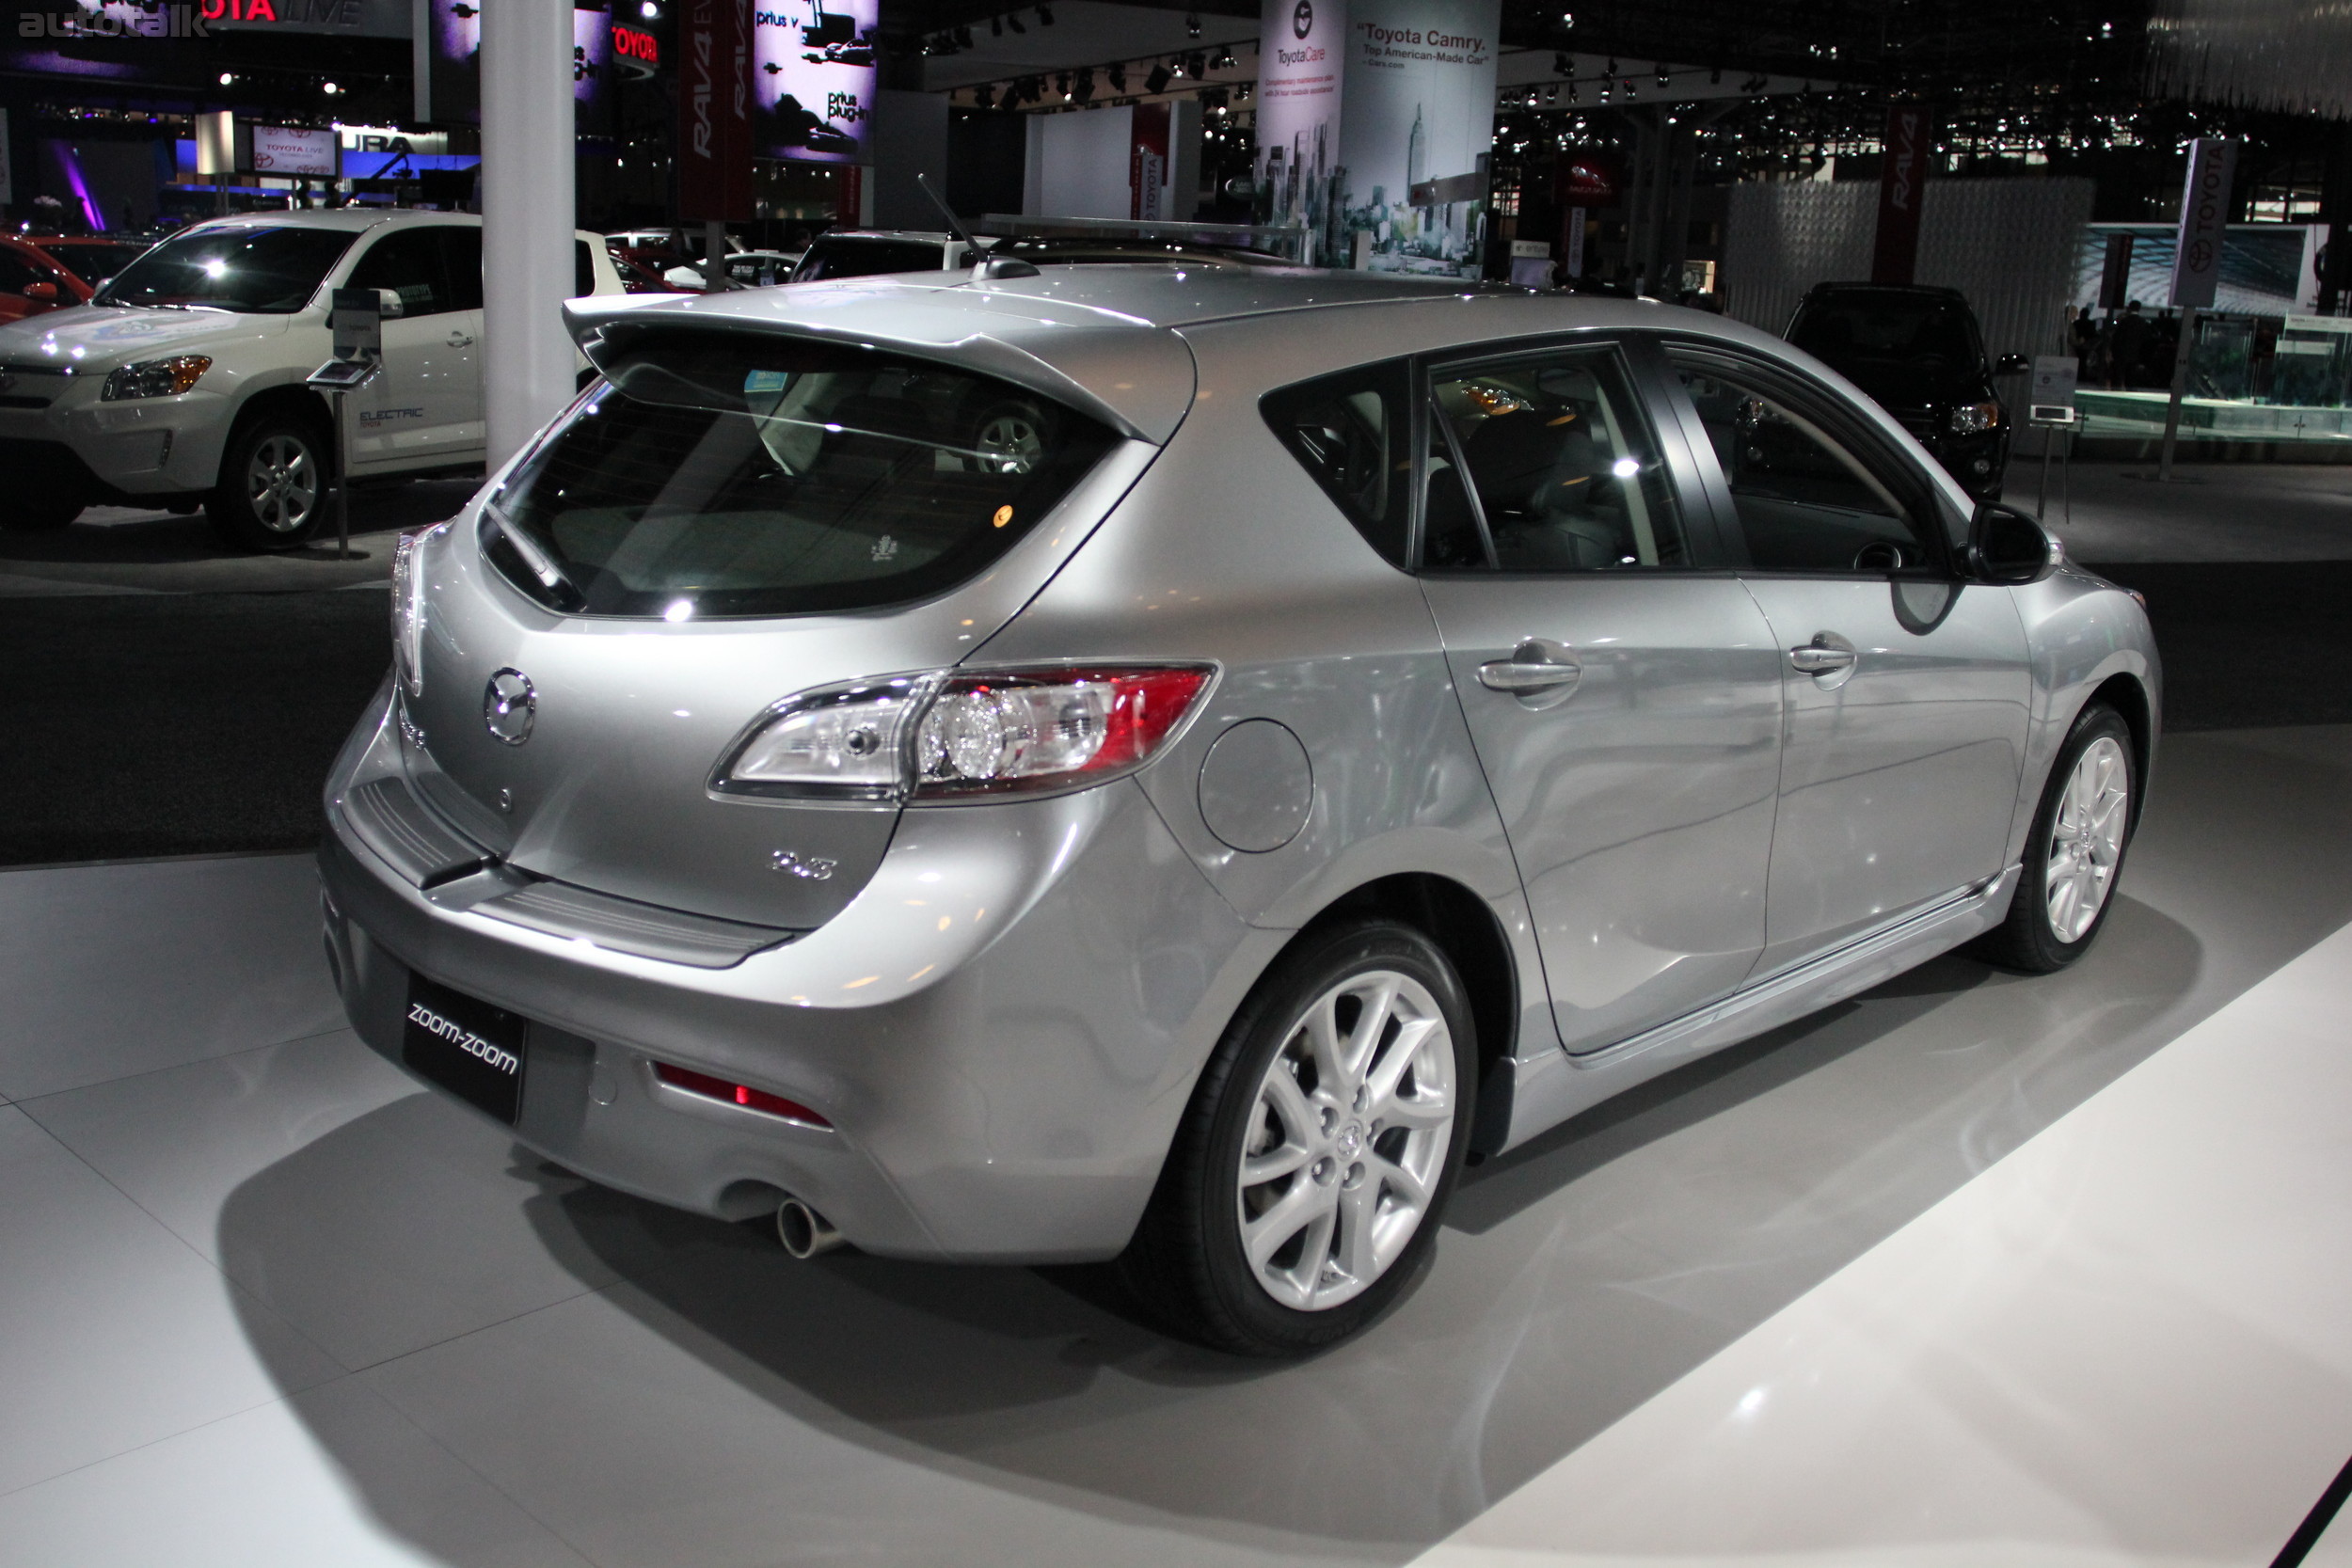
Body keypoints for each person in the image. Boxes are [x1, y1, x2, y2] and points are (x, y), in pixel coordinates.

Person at [2108, 300, 2151, 389]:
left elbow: (2115, 330)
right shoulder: (2143, 322)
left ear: (2129, 308)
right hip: (2135, 353)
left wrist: (2112, 350)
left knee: (2118, 374)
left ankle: (2115, 389)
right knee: (2131, 376)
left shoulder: (2122, 320)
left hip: (2121, 353)